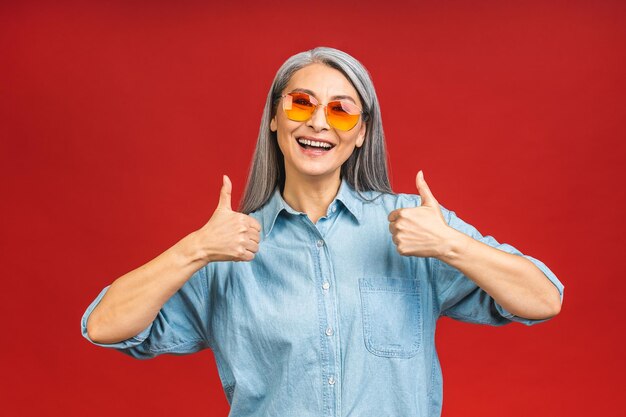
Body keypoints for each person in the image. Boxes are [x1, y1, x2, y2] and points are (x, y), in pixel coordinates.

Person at [81, 46, 564, 417]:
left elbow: (544, 300)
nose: (317, 122)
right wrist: (194, 250)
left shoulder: (417, 227)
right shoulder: (226, 247)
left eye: (340, 110)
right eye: (301, 103)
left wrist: (450, 245)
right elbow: (103, 327)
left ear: (361, 132)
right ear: (274, 117)